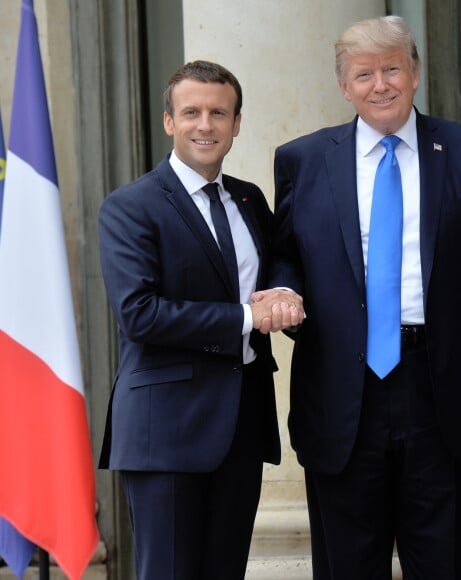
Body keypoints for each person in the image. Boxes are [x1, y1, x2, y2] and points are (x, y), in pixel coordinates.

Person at [263, 16, 461, 579]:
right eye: (364, 74)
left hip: (443, 389)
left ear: (415, 74)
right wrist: (285, 288)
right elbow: (283, 251)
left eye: (391, 69)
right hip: (341, 391)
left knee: (447, 561)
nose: (379, 84)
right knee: (348, 565)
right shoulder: (302, 160)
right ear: (344, 86)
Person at [98, 59, 303, 580]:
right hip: (165, 428)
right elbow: (139, 315)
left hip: (241, 426)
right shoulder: (131, 207)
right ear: (169, 121)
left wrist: (283, 292)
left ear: (237, 123)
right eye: (191, 112)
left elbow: (280, 257)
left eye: (219, 112)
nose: (205, 125)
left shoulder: (249, 198)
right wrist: (244, 316)